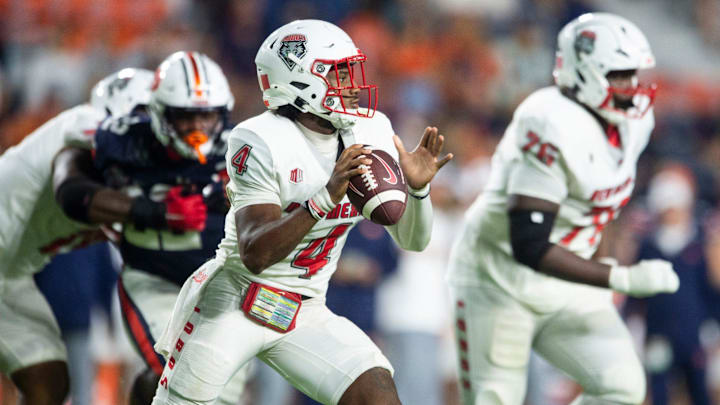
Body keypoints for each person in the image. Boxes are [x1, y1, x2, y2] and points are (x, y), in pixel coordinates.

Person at [150, 19, 452, 405]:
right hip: (235, 301)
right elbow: (255, 254)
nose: (353, 83)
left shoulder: (372, 130)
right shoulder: (259, 138)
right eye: (338, 72)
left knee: (376, 392)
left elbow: (413, 241)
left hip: (305, 307)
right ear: (298, 80)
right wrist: (325, 197)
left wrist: (418, 188)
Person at [446, 12, 680, 405]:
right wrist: (619, 277)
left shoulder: (631, 123)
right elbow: (529, 244)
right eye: (622, 75)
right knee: (496, 398)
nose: (635, 86)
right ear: (586, 73)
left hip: (568, 280)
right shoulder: (547, 121)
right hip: (500, 280)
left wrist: (602, 278)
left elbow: (600, 208)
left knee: (622, 387)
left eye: (635, 74)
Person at [53, 51, 249, 405]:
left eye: (206, 115)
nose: (198, 127)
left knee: (217, 390)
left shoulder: (241, 147)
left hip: (219, 285)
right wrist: (154, 211)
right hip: (154, 279)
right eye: (185, 116)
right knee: (173, 372)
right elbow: (71, 191)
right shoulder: (124, 140)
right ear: (159, 113)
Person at [0, 67, 153, 405]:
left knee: (50, 381)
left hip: (10, 277)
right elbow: (75, 190)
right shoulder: (85, 124)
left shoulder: (127, 177)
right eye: (148, 121)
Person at [627, 164, 716, 405]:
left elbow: (708, 289)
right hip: (659, 334)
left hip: (692, 334)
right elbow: (635, 291)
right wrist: (635, 324)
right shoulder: (648, 247)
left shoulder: (698, 244)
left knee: (699, 391)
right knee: (659, 392)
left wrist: (712, 326)